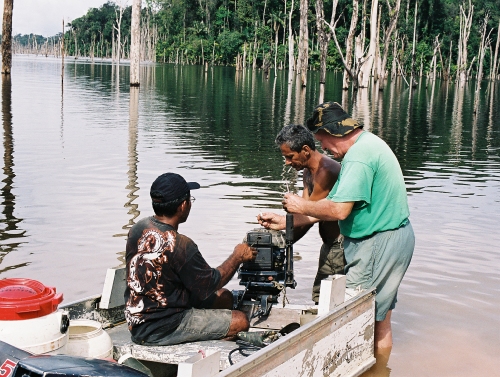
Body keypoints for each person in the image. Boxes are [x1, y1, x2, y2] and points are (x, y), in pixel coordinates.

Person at [258, 102, 414, 350]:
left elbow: (338, 209)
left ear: (333, 133)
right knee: (378, 319)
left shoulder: (358, 157)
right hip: (393, 236)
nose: (325, 148)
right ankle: (379, 370)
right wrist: (283, 221)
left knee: (350, 314)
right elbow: (328, 209)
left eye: (323, 142)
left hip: (378, 242)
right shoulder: (369, 145)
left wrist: (300, 205)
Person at [124, 172, 257, 346]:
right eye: (190, 200)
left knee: (225, 298)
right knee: (240, 321)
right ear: (183, 205)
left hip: (138, 320)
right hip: (162, 326)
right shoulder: (181, 245)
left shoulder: (138, 228)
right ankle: (200, 346)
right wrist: (237, 256)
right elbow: (212, 283)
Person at [257, 124, 344, 304]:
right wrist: (282, 235)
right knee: (322, 298)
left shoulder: (326, 171)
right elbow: (305, 214)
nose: (287, 162)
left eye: (290, 157)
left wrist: (281, 241)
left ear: (305, 150)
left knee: (327, 300)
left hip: (340, 246)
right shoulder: (307, 172)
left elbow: (308, 218)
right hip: (329, 245)